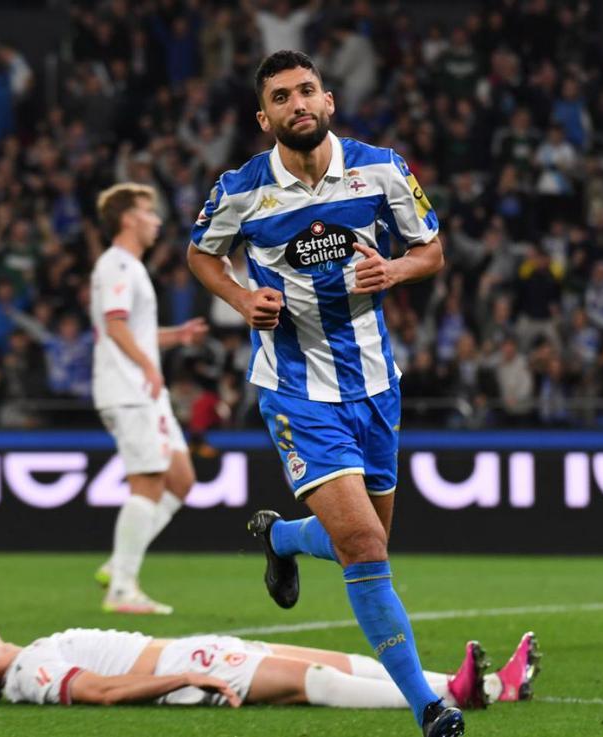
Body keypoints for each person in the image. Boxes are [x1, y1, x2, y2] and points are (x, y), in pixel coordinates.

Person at [186, 51, 457, 736]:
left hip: (375, 385)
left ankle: (278, 536)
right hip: (297, 390)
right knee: (365, 545)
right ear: (265, 116)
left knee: (363, 545)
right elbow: (200, 253)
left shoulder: (382, 169)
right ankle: (428, 706)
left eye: (307, 91)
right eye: (281, 97)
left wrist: (393, 270)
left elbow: (432, 250)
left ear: (328, 101)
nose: (297, 104)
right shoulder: (242, 189)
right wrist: (242, 297)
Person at [0, 625, 540, 712]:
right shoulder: (27, 674)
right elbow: (103, 693)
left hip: (192, 651)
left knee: (334, 661)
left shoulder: (30, 655)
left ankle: (489, 687)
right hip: (185, 665)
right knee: (316, 683)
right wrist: (185, 677)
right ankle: (448, 699)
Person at [88, 183, 209, 615]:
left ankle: (120, 562)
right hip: (129, 389)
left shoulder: (131, 267)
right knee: (149, 481)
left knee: (181, 479)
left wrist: (176, 337)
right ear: (127, 219)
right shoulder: (118, 264)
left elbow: (131, 331)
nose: (157, 220)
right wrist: (148, 366)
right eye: (148, 212)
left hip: (141, 390)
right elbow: (115, 325)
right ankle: (122, 587)